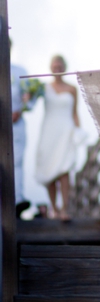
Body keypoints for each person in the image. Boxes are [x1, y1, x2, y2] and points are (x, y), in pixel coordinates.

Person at [34, 55, 81, 220]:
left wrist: (78, 132)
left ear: (64, 67)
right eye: (55, 66)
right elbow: (30, 102)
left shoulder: (72, 89)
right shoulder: (43, 88)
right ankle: (53, 207)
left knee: (64, 169)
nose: (57, 69)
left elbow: (75, 112)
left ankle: (64, 209)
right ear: (50, 68)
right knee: (50, 170)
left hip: (66, 131)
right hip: (49, 131)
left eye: (60, 66)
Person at [10, 40, 31, 217]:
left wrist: (20, 110)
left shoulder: (20, 72)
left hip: (16, 123)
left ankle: (17, 199)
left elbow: (28, 99)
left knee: (17, 161)